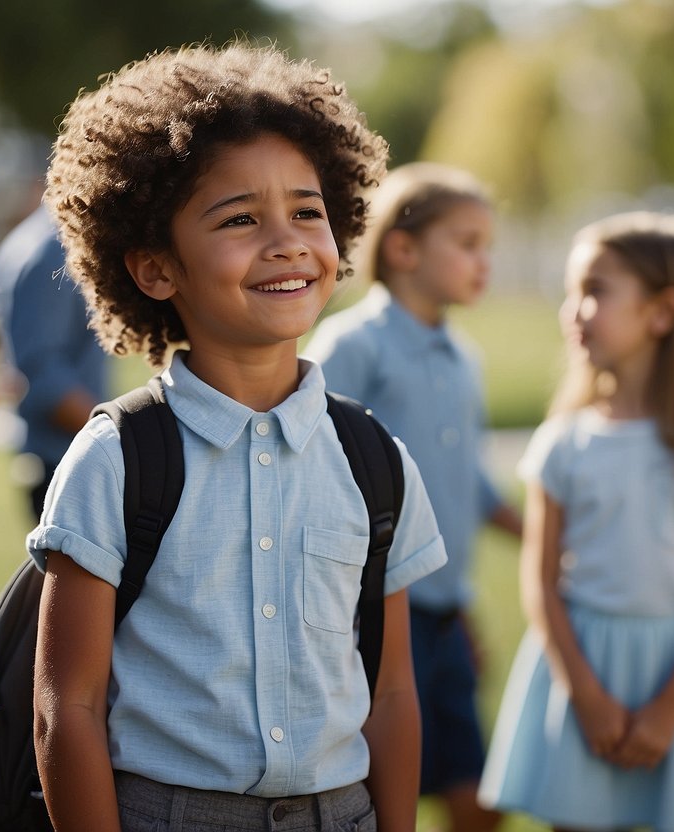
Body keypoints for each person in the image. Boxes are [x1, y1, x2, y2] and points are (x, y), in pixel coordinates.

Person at [29, 43, 448, 831]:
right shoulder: (117, 458)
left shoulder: (373, 460)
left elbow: (391, 694)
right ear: (156, 269)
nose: (286, 241)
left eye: (306, 211)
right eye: (239, 219)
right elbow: (67, 709)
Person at [477, 212, 674, 831]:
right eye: (572, 291)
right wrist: (584, 693)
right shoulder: (562, 443)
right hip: (581, 672)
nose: (574, 309)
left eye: (596, 290)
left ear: (662, 313)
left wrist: (670, 706)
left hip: (673, 677)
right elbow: (541, 584)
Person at [305, 161, 521, 832]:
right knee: (378, 787)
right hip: (369, 617)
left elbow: (466, 478)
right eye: (466, 243)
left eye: (486, 244)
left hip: (445, 612)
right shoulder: (352, 345)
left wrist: (534, 534)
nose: (483, 261)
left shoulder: (464, 357)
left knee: (477, 791)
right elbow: (311, 459)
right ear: (402, 250)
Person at [0, 204, 110, 520]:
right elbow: (45, 377)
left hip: (64, 456)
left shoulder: (36, 236)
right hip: (66, 460)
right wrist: (121, 443)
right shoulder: (55, 248)